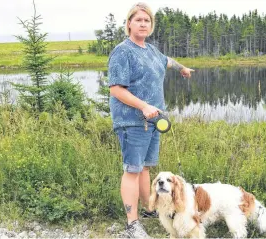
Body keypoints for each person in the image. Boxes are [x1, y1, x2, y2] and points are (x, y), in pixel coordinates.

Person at [108, 2, 194, 238]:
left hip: (155, 121)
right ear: (129, 24)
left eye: (147, 21)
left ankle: (149, 209)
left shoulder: (151, 50)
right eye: (138, 20)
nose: (143, 24)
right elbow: (116, 89)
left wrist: (182, 68)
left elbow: (166, 61)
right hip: (132, 121)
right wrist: (144, 106)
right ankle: (132, 224)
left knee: (146, 167)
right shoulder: (122, 51)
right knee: (132, 170)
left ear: (151, 25)